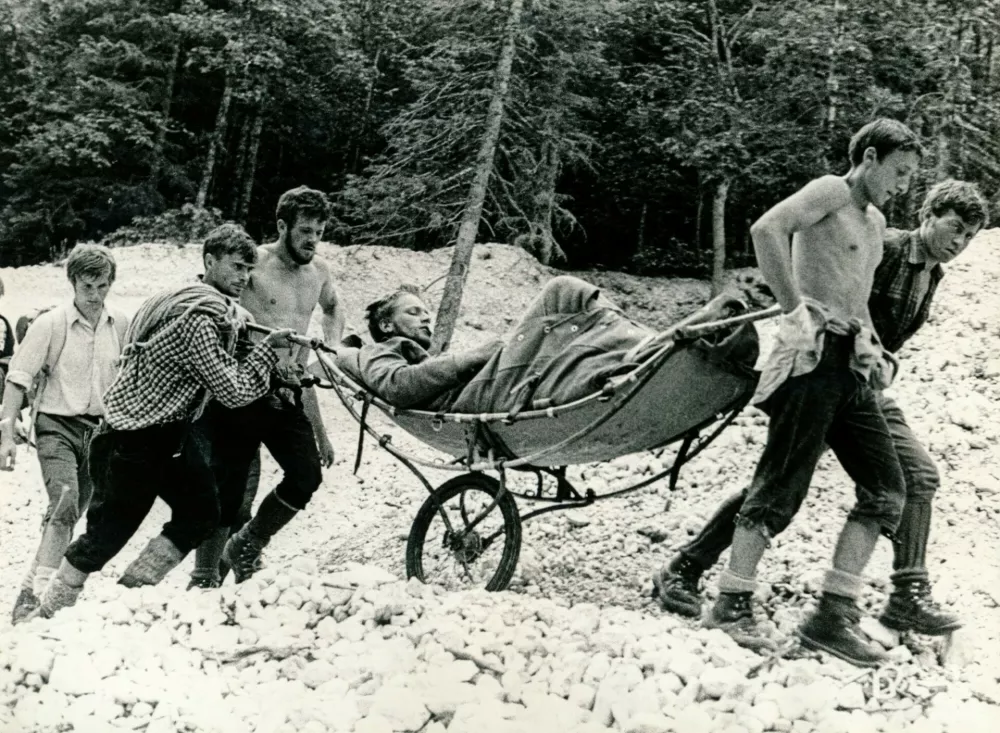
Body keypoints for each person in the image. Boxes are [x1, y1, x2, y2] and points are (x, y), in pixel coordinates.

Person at [653, 179, 989, 638]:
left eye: (969, 235)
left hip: (863, 384)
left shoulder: (932, 275)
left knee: (912, 477)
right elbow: (833, 292)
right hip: (826, 370)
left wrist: (880, 362)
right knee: (782, 481)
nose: (960, 242)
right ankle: (694, 571)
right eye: (954, 227)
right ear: (928, 216)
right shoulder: (887, 246)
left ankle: (907, 593)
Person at [651, 118, 923, 668]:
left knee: (887, 489)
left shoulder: (876, 223)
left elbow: (856, 293)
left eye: (912, 177)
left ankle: (831, 616)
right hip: (810, 359)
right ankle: (730, 601)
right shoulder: (830, 191)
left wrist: (872, 341)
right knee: (780, 488)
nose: (903, 185)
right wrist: (794, 308)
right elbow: (766, 230)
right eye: (899, 172)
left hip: (848, 365)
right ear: (869, 157)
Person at [25, 225, 294, 620]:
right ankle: (46, 613)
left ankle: (130, 594)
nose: (243, 277)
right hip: (133, 440)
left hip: (169, 435)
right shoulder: (199, 319)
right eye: (236, 267)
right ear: (210, 262)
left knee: (202, 512)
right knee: (105, 537)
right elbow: (233, 391)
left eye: (249, 270)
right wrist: (267, 352)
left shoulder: (185, 300)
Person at [189, 186, 345, 588]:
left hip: (288, 390)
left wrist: (333, 346)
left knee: (307, 475)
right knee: (232, 487)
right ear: (282, 226)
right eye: (306, 230)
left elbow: (332, 307)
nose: (313, 239)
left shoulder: (319, 272)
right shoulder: (253, 262)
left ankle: (246, 545)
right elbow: (210, 294)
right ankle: (205, 576)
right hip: (243, 389)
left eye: (320, 231)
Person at [345, 275, 753, 415]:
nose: (426, 317)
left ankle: (656, 349)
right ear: (386, 323)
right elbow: (396, 388)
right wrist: (473, 356)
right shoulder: (381, 350)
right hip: (475, 399)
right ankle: (664, 343)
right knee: (563, 292)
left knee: (577, 352)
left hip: (486, 388)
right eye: (414, 312)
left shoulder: (423, 353)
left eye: (425, 312)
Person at [0, 245, 128, 622]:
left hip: (101, 430)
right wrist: (6, 434)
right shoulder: (50, 324)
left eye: (103, 286)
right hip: (56, 425)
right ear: (72, 282)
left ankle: (28, 584)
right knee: (65, 503)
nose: (95, 295)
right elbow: (17, 379)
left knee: (72, 513)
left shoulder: (120, 323)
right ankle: (37, 600)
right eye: (87, 286)